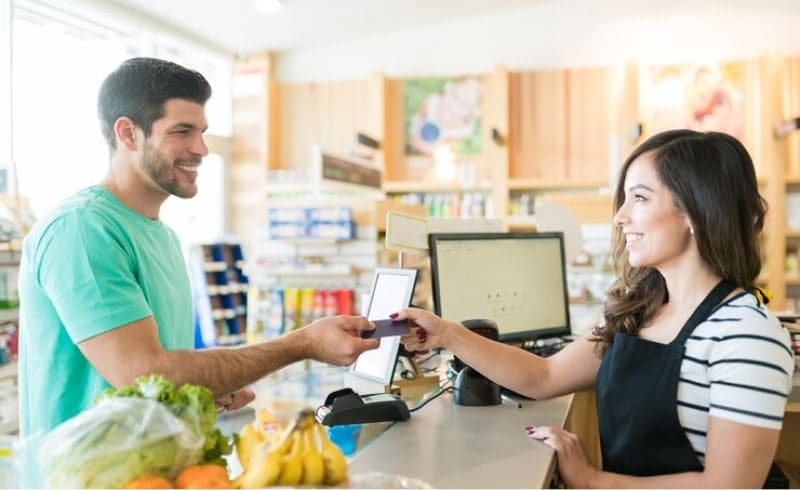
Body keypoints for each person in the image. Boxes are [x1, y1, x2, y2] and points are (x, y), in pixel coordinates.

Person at [397, 129, 795, 488]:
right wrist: (448, 333)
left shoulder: (746, 333)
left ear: (695, 210)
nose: (621, 217)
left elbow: (728, 486)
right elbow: (544, 375)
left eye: (638, 198)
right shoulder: (642, 310)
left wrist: (592, 481)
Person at [17, 57, 379, 436]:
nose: (202, 148)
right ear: (128, 134)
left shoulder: (162, 236)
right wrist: (298, 344)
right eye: (183, 131)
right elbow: (143, 374)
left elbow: (164, 376)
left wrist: (204, 388)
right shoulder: (82, 229)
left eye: (202, 131)